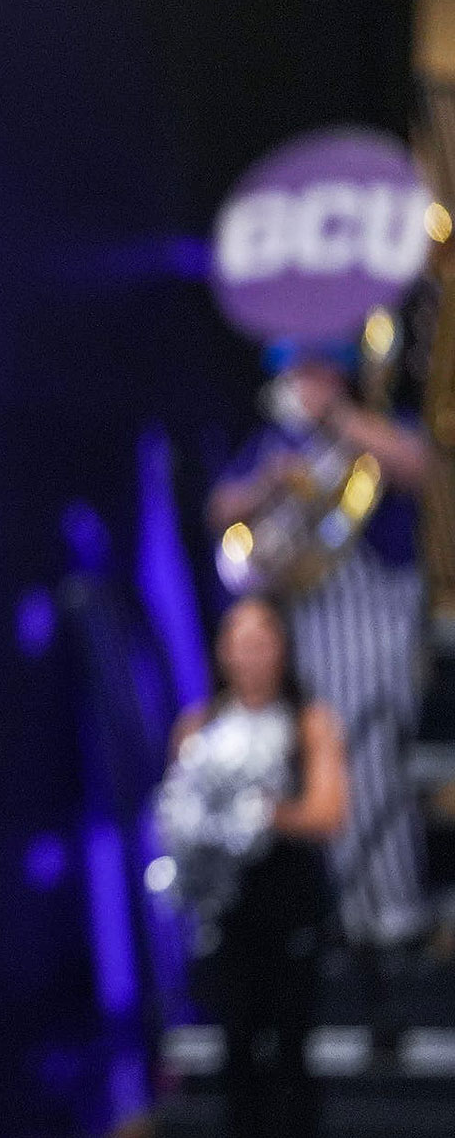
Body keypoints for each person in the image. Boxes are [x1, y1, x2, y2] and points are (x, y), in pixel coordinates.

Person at [208, 349, 429, 952]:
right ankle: (340, 920)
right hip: (312, 625)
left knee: (374, 762)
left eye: (317, 373)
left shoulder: (368, 423)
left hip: (376, 617)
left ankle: (393, 918)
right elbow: (219, 511)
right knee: (327, 763)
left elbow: (424, 470)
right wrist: (268, 483)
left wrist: (340, 418)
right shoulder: (276, 442)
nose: (305, 386)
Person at [167, 598, 346, 1138]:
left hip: (289, 899)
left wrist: (267, 812)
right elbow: (173, 809)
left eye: (261, 642)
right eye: (239, 642)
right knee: (236, 1045)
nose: (250, 655)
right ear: (222, 651)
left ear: (282, 649)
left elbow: (330, 811)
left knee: (292, 1043)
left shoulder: (308, 720)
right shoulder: (200, 724)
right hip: (228, 906)